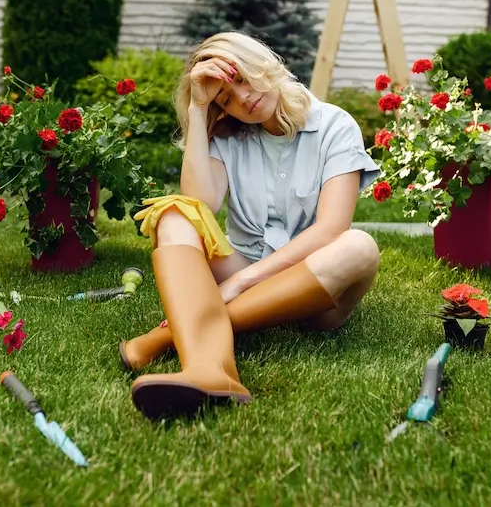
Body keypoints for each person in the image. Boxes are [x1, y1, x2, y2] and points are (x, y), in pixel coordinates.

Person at [124, 32, 381, 421]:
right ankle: (211, 369)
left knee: (358, 246)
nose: (242, 99)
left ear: (264, 63)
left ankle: (169, 335)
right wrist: (198, 109)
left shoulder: (334, 125)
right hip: (243, 261)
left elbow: (331, 229)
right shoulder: (227, 134)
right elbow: (200, 205)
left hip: (314, 286)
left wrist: (240, 283)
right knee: (175, 213)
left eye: (242, 79)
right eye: (225, 98)